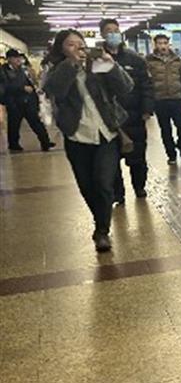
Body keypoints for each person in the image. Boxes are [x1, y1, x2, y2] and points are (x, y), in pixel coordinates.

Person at [42, 29, 133, 252]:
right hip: (77, 135)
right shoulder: (56, 69)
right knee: (86, 185)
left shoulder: (97, 65)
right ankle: (100, 219)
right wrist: (71, 65)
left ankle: (102, 230)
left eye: (80, 44)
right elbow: (54, 90)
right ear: (62, 49)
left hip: (106, 133)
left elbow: (126, 87)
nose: (78, 49)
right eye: (71, 45)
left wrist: (111, 65)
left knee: (103, 183)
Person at [100, 19, 154, 202]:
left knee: (137, 157)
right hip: (108, 118)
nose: (113, 34)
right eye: (109, 31)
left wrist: (147, 108)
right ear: (102, 35)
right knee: (111, 161)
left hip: (134, 116)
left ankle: (139, 187)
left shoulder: (135, 60)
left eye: (116, 30)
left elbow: (146, 86)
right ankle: (118, 194)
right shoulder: (98, 60)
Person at [146, 34, 181, 165]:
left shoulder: (177, 60)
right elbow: (147, 80)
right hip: (160, 100)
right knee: (165, 129)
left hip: (177, 99)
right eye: (160, 43)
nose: (163, 46)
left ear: (168, 44)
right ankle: (171, 154)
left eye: (165, 43)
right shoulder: (149, 61)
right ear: (155, 45)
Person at [1, 48, 55, 152]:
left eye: (19, 58)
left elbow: (31, 82)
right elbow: (5, 87)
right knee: (14, 125)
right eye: (15, 58)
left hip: (28, 101)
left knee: (36, 122)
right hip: (14, 103)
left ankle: (45, 142)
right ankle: (13, 145)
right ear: (9, 59)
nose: (18, 60)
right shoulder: (3, 71)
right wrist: (22, 88)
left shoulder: (23, 69)